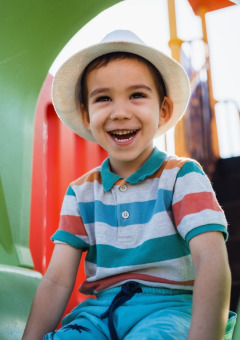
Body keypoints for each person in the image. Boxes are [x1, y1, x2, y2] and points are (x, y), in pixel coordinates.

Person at [23, 30, 237, 340]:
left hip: (169, 308)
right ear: (86, 113)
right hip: (100, 313)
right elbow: (57, 280)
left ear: (162, 109)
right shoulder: (80, 193)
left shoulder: (182, 176)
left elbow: (210, 258)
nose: (120, 112)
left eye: (137, 94)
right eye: (103, 98)